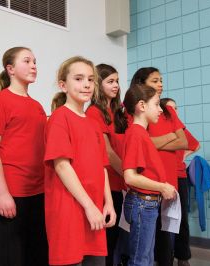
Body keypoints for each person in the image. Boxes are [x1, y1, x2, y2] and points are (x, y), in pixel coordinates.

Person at [44, 56, 116, 265]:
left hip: (93, 206)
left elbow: (102, 167)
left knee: (96, 260)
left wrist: (108, 203)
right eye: (78, 78)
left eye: (90, 79)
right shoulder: (60, 118)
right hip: (69, 207)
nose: (86, 84)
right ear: (63, 85)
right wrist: (88, 206)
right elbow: (62, 165)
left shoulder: (93, 123)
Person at [0, 47, 48, 266]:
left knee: (35, 255)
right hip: (11, 192)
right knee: (10, 258)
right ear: (10, 69)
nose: (33, 66)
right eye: (27, 61)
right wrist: (3, 194)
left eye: (35, 61)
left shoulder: (37, 106)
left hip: (37, 191)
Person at [130, 67, 188, 266]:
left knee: (160, 244)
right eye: (155, 81)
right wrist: (170, 136)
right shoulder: (136, 125)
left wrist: (155, 141)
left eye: (161, 80)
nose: (160, 84)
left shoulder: (164, 112)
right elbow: (131, 173)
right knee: (142, 253)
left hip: (161, 187)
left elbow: (184, 141)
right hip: (145, 192)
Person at [114, 84, 176, 266]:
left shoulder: (141, 134)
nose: (159, 110)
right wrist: (162, 187)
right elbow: (130, 177)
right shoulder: (136, 134)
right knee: (140, 260)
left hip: (148, 203)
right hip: (143, 204)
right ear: (142, 106)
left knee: (147, 258)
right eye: (157, 105)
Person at [86, 64, 125, 266]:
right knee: (107, 241)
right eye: (110, 81)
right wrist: (130, 176)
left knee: (116, 240)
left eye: (117, 81)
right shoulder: (94, 112)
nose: (116, 85)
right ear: (99, 85)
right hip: (107, 184)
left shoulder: (118, 112)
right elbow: (107, 152)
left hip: (120, 183)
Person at [161, 98, 200, 266]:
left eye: (176, 108)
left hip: (179, 176)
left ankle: (183, 257)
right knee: (164, 221)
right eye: (170, 108)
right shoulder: (159, 126)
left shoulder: (179, 129)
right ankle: (164, 257)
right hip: (163, 177)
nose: (174, 111)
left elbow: (195, 144)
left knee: (181, 219)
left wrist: (183, 156)